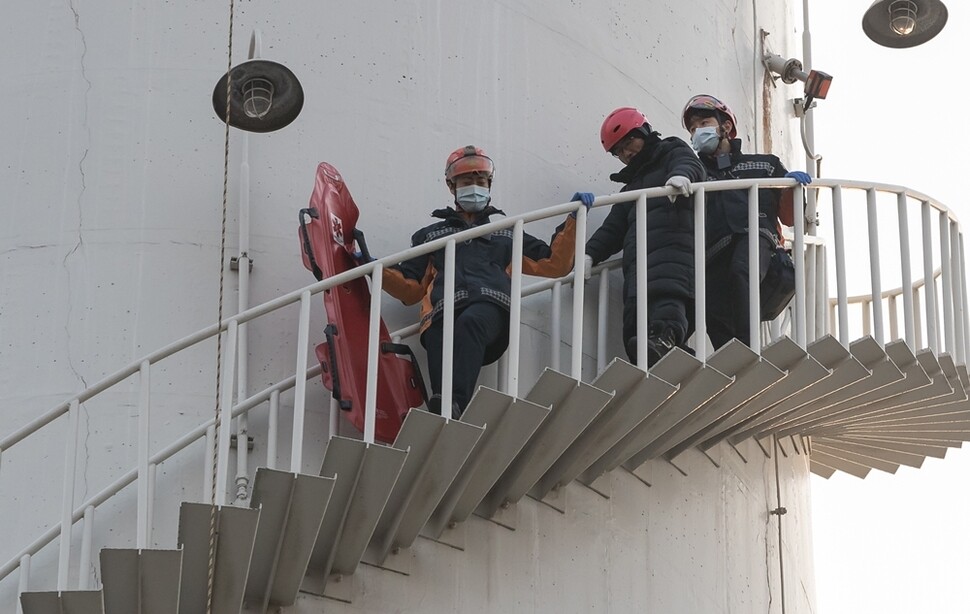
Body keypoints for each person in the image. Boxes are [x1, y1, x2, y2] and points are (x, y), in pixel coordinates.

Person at [381, 146, 588, 418]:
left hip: (490, 307)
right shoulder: (431, 235)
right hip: (442, 312)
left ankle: (454, 403)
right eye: (467, 181)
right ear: (451, 186)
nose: (474, 187)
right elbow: (410, 288)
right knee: (439, 334)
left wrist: (574, 219)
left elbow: (554, 264)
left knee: (472, 321)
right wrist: (375, 269)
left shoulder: (506, 232)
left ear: (489, 185)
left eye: (481, 182)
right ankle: (445, 404)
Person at [681, 94, 812, 349]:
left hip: (756, 237)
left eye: (704, 123)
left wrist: (792, 189)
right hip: (712, 252)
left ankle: (749, 351)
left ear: (725, 127)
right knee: (712, 309)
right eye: (693, 129)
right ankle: (734, 363)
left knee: (742, 271)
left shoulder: (764, 165)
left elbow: (790, 217)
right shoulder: (695, 173)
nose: (698, 132)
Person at [583, 107, 705, 367]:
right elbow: (612, 228)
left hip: (674, 253)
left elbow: (689, 162)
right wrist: (589, 253)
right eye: (619, 151)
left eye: (629, 142)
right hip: (639, 269)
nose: (627, 153)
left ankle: (673, 353)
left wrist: (681, 176)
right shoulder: (631, 189)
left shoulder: (670, 150)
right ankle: (664, 367)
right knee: (634, 327)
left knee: (668, 307)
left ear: (644, 132)